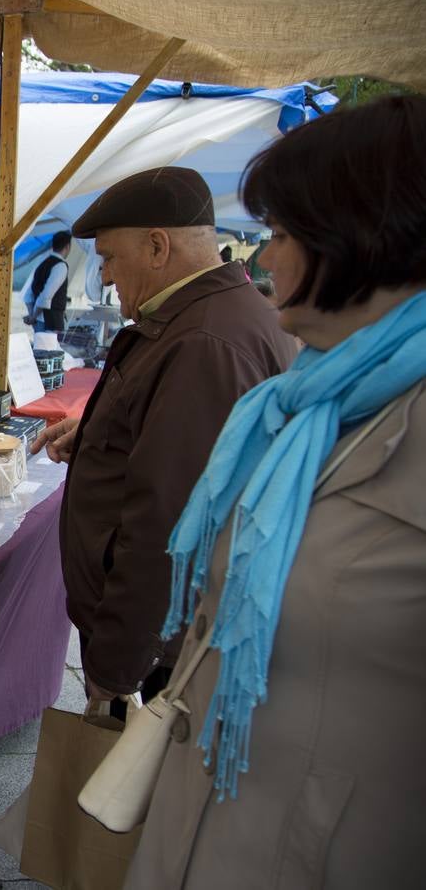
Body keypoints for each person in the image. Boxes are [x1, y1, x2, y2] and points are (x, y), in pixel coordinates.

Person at [126, 94, 426, 889]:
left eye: (283, 236)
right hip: (220, 818)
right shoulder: (312, 399)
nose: (264, 263)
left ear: (366, 235)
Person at [30, 166, 296, 715]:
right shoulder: (208, 318)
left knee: (137, 788)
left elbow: (167, 526)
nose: (104, 276)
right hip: (175, 636)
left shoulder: (203, 341)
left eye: (108, 258)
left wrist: (115, 666)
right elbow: (175, 442)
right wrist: (102, 434)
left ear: (157, 247)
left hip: (166, 652)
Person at [21, 230, 73, 331]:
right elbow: (46, 296)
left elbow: (28, 295)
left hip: (39, 322)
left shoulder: (42, 264)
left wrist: (33, 315)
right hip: (51, 322)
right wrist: (33, 317)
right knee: (49, 347)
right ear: (67, 246)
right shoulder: (61, 266)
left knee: (39, 346)